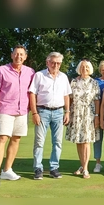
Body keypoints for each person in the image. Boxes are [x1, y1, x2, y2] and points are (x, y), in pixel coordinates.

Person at [0, 45, 35, 187]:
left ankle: (7, 170)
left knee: (16, 139)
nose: (19, 56)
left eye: (22, 54)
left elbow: (32, 92)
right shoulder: (1, 70)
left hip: (22, 111)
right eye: (16, 54)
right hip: (5, 109)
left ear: (25, 57)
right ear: (11, 55)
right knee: (2, 138)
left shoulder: (30, 72)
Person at [28, 52, 72, 180]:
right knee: (39, 142)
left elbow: (66, 95)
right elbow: (32, 94)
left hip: (59, 112)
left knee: (57, 142)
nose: (55, 65)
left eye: (58, 63)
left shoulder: (63, 77)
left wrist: (67, 111)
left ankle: (54, 167)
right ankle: (38, 168)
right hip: (42, 111)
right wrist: (34, 112)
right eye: (53, 62)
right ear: (47, 62)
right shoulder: (39, 75)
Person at [66, 59, 100, 179]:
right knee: (79, 141)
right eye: (82, 67)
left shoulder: (94, 83)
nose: (84, 69)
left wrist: (97, 116)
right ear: (79, 68)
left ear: (90, 69)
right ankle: (82, 165)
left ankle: (85, 168)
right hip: (76, 114)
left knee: (86, 142)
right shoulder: (74, 81)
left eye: (86, 67)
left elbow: (97, 100)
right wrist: (68, 113)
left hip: (89, 115)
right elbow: (69, 98)